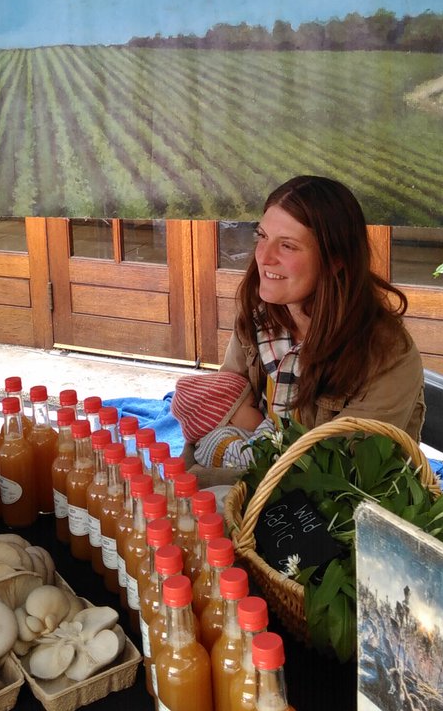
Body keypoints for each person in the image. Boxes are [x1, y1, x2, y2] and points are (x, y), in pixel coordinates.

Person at [172, 175, 424, 484]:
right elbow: (225, 402)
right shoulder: (258, 318)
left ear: (335, 262)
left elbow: (337, 477)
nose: (264, 257)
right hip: (256, 485)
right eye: (261, 236)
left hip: (327, 510)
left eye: (287, 246)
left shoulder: (386, 355)